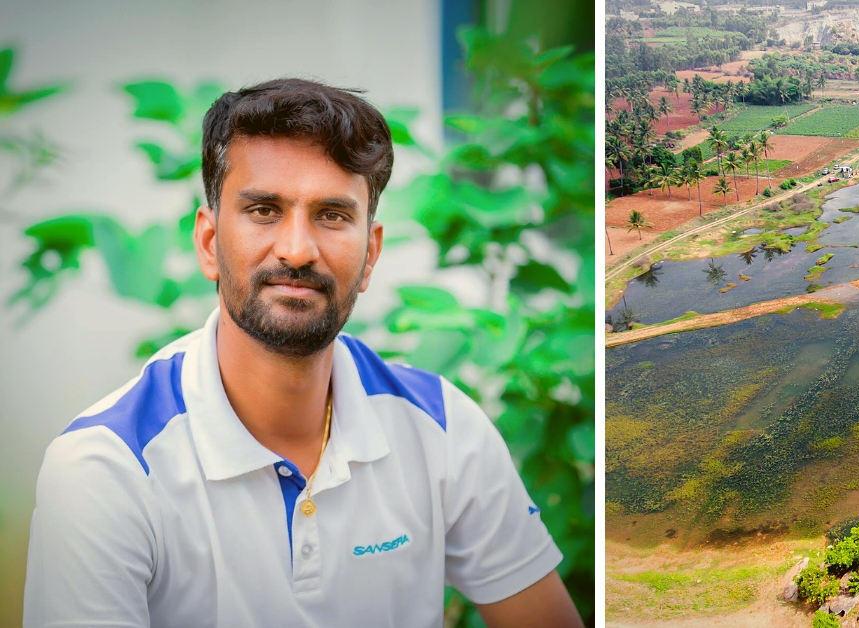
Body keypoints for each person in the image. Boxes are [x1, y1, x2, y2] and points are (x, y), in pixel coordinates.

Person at [23, 78, 584, 628]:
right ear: (210, 243)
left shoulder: (441, 427)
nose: (296, 249)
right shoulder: (108, 469)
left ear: (370, 255)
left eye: (332, 215)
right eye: (264, 210)